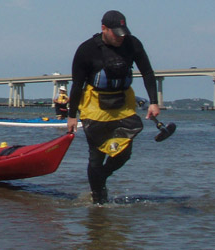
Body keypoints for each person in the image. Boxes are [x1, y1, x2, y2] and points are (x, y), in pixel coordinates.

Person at [67, 10, 161, 204]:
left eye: (123, 32)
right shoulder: (86, 50)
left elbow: (148, 73)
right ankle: (98, 201)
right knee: (96, 156)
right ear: (104, 29)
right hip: (95, 107)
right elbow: (77, 85)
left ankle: (100, 176)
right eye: (116, 33)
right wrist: (71, 116)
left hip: (122, 104)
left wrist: (153, 102)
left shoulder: (132, 44)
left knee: (124, 152)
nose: (121, 37)